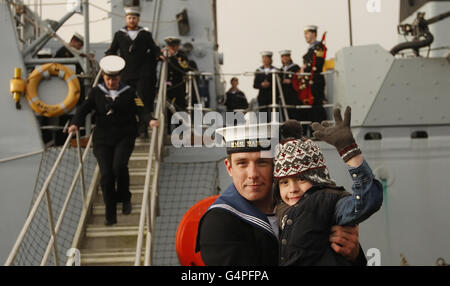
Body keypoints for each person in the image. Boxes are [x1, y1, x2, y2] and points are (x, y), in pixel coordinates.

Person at [195, 118, 367, 266]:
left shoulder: (308, 206)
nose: (253, 174)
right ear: (229, 167)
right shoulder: (220, 222)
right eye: (242, 163)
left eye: (262, 162)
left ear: (277, 166)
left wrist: (353, 254)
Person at [274, 108, 383, 265]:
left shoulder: (330, 201)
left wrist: (351, 153)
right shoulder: (278, 208)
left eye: (302, 179)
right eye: (284, 182)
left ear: (318, 178)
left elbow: (366, 201)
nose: (292, 189)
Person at [67, 55, 159, 226]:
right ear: (104, 78)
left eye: (114, 79)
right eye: (108, 79)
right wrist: (74, 124)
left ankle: (125, 198)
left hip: (124, 136)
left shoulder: (130, 92)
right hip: (103, 139)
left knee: (119, 167)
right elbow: (83, 109)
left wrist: (150, 120)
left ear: (119, 78)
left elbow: (141, 109)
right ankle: (110, 214)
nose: (111, 82)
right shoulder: (96, 92)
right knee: (107, 176)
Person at [105, 6, 161, 137]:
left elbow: (153, 48)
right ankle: (129, 128)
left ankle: (142, 128)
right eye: (129, 18)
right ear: (126, 19)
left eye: (134, 18)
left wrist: (159, 55)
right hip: (126, 73)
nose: (132, 20)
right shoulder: (119, 34)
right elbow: (112, 49)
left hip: (142, 73)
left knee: (142, 100)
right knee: (126, 100)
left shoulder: (145, 34)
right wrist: (108, 58)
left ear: (138, 19)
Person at [299, 25, 327, 127]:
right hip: (309, 82)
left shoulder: (319, 47)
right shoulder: (310, 49)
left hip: (316, 81)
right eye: (305, 34)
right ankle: (314, 131)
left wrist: (305, 67)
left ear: (314, 34)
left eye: (307, 33)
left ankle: (321, 130)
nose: (305, 36)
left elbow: (318, 64)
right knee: (311, 108)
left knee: (317, 107)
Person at [253, 51, 278, 120]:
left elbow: (279, 84)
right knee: (263, 117)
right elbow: (255, 85)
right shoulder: (258, 71)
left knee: (274, 116)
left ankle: (275, 129)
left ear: (270, 59)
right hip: (262, 97)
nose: (265, 60)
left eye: (267, 58)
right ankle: (264, 130)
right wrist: (261, 84)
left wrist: (270, 84)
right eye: (264, 58)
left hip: (273, 96)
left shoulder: (276, 70)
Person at [278, 50, 302, 121]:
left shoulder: (296, 68)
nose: (285, 58)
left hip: (293, 95)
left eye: (286, 56)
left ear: (289, 57)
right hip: (284, 96)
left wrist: (291, 81)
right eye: (283, 57)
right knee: (285, 115)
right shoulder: (280, 70)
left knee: (294, 115)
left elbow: (299, 79)